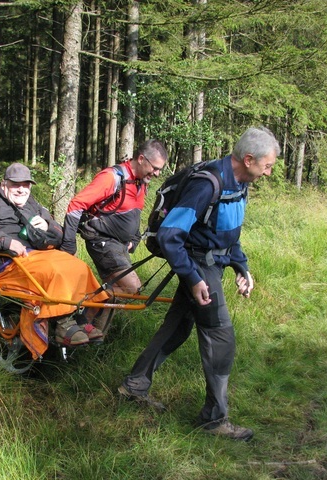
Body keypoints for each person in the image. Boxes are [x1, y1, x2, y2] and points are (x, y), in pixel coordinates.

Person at [118, 126, 281, 441]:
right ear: (249, 159)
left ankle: (133, 386)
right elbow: (169, 235)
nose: (269, 172)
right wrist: (193, 278)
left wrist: (240, 266)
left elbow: (227, 233)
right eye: (268, 165)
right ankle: (214, 419)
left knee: (176, 328)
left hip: (211, 265)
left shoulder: (238, 184)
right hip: (199, 267)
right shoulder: (207, 185)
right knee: (221, 339)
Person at [0, 163, 111, 355]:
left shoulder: (33, 204)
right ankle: (63, 323)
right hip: (6, 262)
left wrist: (47, 225)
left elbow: (59, 233)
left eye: (26, 184)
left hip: (37, 256)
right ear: (4, 183)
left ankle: (79, 317)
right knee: (53, 272)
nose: (22, 189)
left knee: (79, 266)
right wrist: (5, 242)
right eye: (16, 184)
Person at [61, 140, 168, 295]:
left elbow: (132, 214)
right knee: (132, 289)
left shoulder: (141, 183)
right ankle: (81, 306)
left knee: (113, 294)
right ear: (141, 159)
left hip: (120, 245)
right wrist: (69, 244)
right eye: (155, 168)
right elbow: (76, 205)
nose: (157, 173)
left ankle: (87, 319)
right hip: (102, 241)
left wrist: (134, 239)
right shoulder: (112, 177)